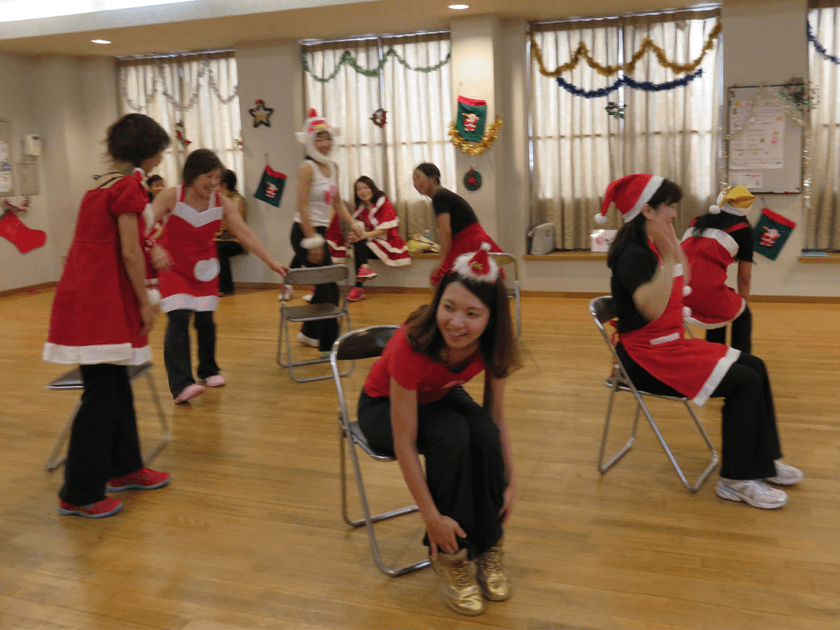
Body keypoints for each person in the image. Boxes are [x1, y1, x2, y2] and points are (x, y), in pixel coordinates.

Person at [599, 174, 802, 510]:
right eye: (668, 207)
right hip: (643, 360)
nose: (673, 213)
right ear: (647, 210)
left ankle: (761, 462)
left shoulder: (651, 244)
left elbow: (686, 278)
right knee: (743, 382)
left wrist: (671, 245)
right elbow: (651, 309)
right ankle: (735, 480)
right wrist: (667, 256)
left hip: (668, 346)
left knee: (755, 366)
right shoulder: (632, 254)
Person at [357, 245, 519, 616]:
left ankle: (488, 543)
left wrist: (511, 481)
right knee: (451, 434)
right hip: (382, 407)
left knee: (481, 428)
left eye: (472, 314)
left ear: (491, 318)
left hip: (437, 395)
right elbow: (404, 441)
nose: (457, 323)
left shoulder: (493, 344)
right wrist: (431, 517)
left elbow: (496, 415)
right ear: (437, 303)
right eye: (449, 307)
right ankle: (450, 556)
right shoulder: (412, 343)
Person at [42, 113, 172, 519]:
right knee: (100, 396)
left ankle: (125, 468)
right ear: (145, 151)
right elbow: (130, 252)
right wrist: (145, 303)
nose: (160, 159)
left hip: (93, 299)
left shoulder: (100, 185)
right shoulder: (127, 187)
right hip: (101, 304)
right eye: (159, 151)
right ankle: (78, 494)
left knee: (115, 387)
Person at [150, 149, 287, 403]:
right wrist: (154, 248)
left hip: (203, 269)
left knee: (206, 322)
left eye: (217, 177)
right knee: (179, 320)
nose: (214, 183)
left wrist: (272, 262)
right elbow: (143, 225)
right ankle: (181, 385)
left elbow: (245, 234)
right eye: (208, 177)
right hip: (173, 268)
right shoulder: (170, 197)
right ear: (192, 175)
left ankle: (208, 369)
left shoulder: (223, 203)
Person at [291, 109, 363, 354]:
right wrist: (312, 239)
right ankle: (329, 345)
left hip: (319, 233)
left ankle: (309, 333)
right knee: (329, 290)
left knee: (325, 288)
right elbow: (301, 207)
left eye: (328, 138)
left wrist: (353, 224)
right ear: (310, 141)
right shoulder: (306, 168)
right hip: (305, 233)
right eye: (319, 139)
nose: (325, 144)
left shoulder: (333, 167)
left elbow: (337, 203)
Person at [680, 185, 755, 353]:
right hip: (704, 296)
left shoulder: (697, 222)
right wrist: (743, 304)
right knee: (741, 312)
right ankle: (739, 358)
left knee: (720, 308)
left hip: (677, 292)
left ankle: (714, 355)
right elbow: (745, 277)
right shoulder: (743, 230)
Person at [412, 163, 503, 285]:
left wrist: (442, 260)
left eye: (418, 177)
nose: (415, 183)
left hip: (469, 242)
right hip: (473, 240)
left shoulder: (440, 197)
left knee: (439, 279)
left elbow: (445, 231)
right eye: (413, 180)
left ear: (432, 179)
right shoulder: (443, 195)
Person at [326, 175, 410, 302]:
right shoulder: (361, 208)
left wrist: (364, 235)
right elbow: (359, 227)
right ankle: (364, 270)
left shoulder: (384, 203)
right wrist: (354, 234)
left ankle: (359, 287)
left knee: (360, 241)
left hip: (389, 242)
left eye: (365, 188)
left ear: (372, 188)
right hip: (373, 242)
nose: (362, 192)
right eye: (359, 189)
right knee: (357, 240)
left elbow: (385, 230)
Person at [215, 169, 248, 296]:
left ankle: (226, 287)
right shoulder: (219, 199)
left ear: (224, 184)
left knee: (219, 248)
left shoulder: (236, 199)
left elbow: (233, 224)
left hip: (236, 241)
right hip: (220, 238)